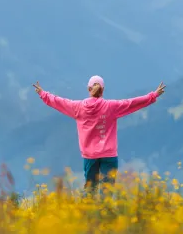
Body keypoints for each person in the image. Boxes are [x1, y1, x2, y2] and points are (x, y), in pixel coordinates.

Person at [32, 75, 165, 192]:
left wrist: (43, 94)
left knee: (90, 190)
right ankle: (105, 215)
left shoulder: (77, 107)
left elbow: (59, 102)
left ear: (89, 89)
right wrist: (153, 95)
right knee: (107, 191)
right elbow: (132, 103)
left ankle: (88, 217)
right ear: (103, 90)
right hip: (109, 155)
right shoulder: (111, 107)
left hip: (89, 156)